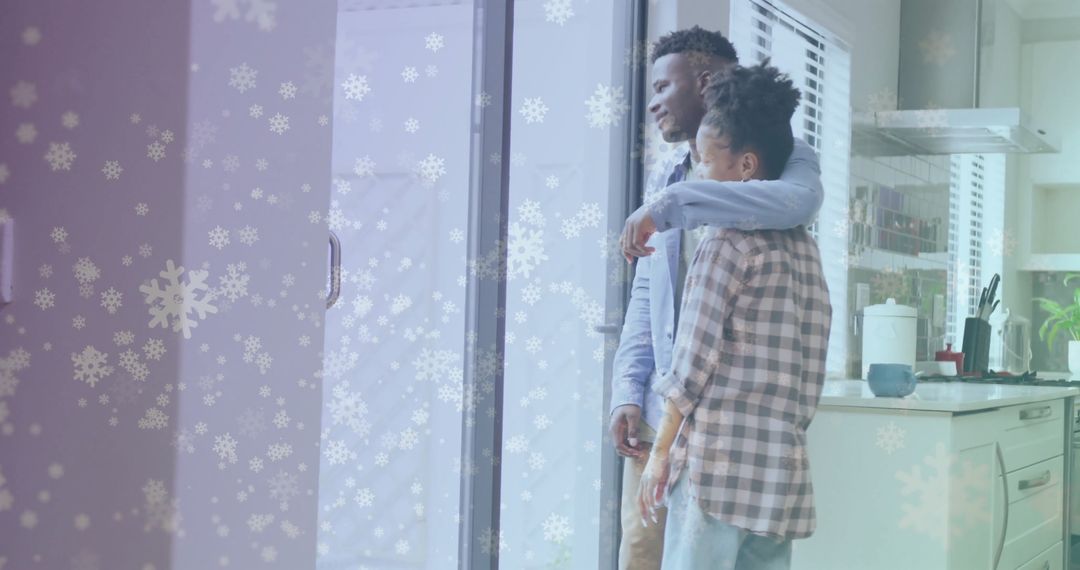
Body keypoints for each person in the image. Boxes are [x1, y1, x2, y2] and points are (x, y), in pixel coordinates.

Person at [609, 26, 824, 570]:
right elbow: (646, 294)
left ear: (704, 83)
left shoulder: (789, 163)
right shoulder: (668, 174)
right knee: (640, 553)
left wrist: (672, 203)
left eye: (663, 86)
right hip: (680, 420)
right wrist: (627, 392)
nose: (653, 102)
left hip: (705, 437)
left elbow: (791, 204)